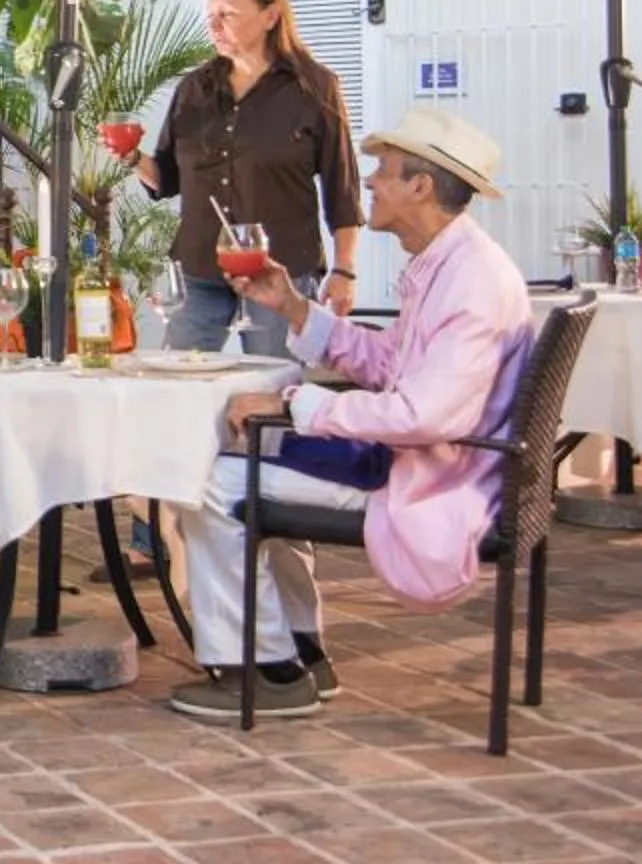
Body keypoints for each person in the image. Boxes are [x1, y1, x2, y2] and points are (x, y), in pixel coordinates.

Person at [168, 111, 532, 723]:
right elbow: (391, 363)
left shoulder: (472, 282)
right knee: (250, 458)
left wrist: (294, 405)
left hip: (431, 483)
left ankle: (264, 672)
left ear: (422, 186)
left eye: (384, 172)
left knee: (209, 480)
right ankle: (301, 648)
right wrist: (292, 306)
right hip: (421, 463)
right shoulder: (450, 263)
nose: (369, 183)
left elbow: (424, 413)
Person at [141, 0, 363, 357]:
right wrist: (130, 157)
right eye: (210, 15)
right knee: (180, 380)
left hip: (280, 271)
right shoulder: (194, 89)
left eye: (227, 13)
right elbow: (166, 181)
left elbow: (341, 188)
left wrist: (345, 269)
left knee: (271, 386)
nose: (215, 25)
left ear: (270, 16)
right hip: (199, 270)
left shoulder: (315, 87)